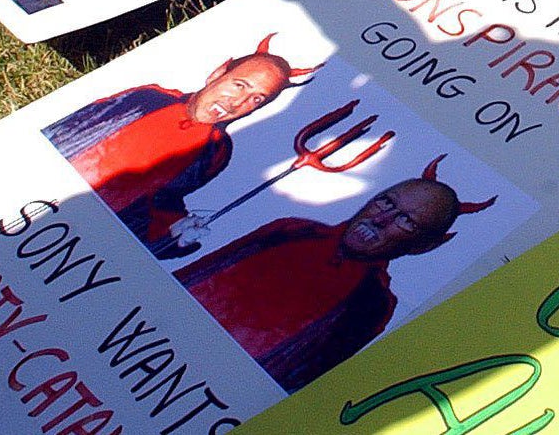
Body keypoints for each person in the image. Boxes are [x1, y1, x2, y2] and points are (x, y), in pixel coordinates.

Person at [172, 155, 494, 390]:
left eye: (406, 221)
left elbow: (297, 380)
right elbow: (188, 277)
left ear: (425, 246)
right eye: (385, 203)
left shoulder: (374, 302)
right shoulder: (292, 229)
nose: (381, 219)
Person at [43, 34, 320, 246]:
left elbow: (161, 202)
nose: (238, 102)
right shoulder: (149, 98)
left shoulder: (216, 152)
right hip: (47, 191)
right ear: (218, 74)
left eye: (257, 99)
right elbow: (67, 131)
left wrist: (174, 230)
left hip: (85, 234)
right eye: (239, 85)